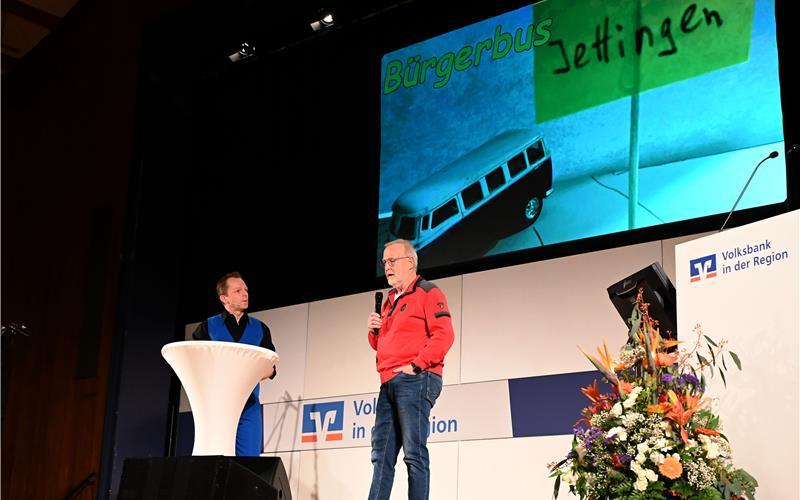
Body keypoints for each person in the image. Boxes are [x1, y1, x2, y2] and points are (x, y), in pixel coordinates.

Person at [366, 239, 455, 500]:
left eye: (392, 261)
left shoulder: (428, 292)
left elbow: (444, 335)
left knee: (414, 454)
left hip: (416, 379)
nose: (387, 267)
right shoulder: (388, 301)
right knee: (381, 456)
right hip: (388, 381)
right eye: (384, 262)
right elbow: (380, 344)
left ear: (410, 262)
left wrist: (416, 365)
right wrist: (374, 331)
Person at [192, 272, 276, 456]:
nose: (245, 294)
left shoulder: (261, 329)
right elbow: (196, 364)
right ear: (224, 298)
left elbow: (271, 368)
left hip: (249, 406)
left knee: (248, 462)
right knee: (217, 458)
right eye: (238, 291)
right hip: (217, 404)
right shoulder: (207, 327)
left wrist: (248, 376)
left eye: (246, 290)